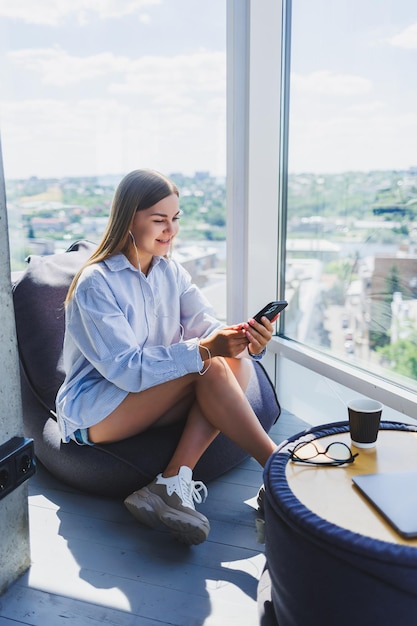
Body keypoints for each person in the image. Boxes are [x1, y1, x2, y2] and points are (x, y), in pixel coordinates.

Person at [56, 168, 278, 545]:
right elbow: (126, 371)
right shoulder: (96, 283)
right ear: (128, 219)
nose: (170, 231)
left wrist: (249, 340)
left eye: (175, 219)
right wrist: (208, 349)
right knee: (205, 362)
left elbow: (207, 329)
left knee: (232, 361)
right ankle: (279, 471)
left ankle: (171, 482)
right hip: (98, 408)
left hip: (149, 394)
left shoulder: (170, 272)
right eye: (159, 220)